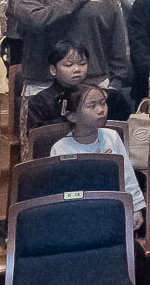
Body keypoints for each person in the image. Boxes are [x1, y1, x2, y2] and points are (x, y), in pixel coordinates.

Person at [49, 82, 144, 225]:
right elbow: (63, 191)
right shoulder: (60, 148)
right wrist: (98, 169)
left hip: (112, 208)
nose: (101, 110)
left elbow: (127, 175)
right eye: (91, 106)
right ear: (72, 116)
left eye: (103, 103)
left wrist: (136, 207)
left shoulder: (112, 136)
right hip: (77, 214)